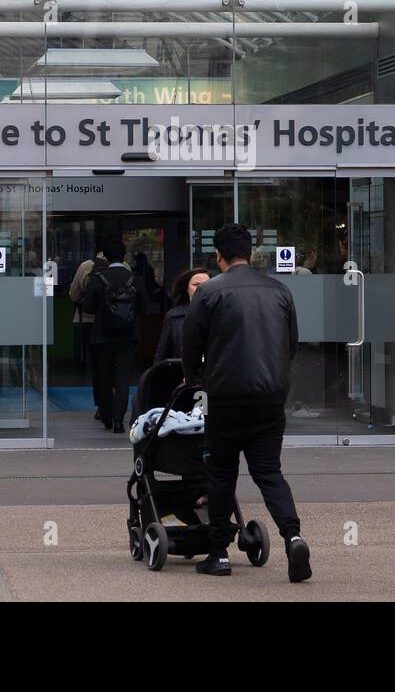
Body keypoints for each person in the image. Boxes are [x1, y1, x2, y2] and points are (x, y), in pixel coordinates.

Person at [181, 223, 311, 583]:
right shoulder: (279, 290)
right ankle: (293, 536)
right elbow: (291, 344)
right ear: (251, 254)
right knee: (269, 472)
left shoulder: (209, 292)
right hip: (270, 396)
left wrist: (194, 379)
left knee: (221, 474)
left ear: (218, 257)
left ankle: (219, 552)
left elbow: (191, 344)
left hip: (225, 396)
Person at [81, 238, 144, 433]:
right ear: (124, 256)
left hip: (101, 336)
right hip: (127, 336)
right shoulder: (135, 279)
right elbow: (145, 307)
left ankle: (106, 417)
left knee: (104, 377)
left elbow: (89, 308)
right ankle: (119, 421)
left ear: (105, 257)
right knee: (123, 379)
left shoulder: (98, 279)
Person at [69, 249, 108, 421]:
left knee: (98, 367)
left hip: (89, 322)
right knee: (117, 369)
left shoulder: (85, 266)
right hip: (117, 324)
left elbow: (73, 294)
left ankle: (101, 406)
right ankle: (116, 409)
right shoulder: (124, 267)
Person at [154, 268, 210, 365]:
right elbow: (162, 353)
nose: (202, 288)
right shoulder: (173, 316)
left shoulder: (220, 312)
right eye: (196, 285)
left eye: (207, 284)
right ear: (187, 289)